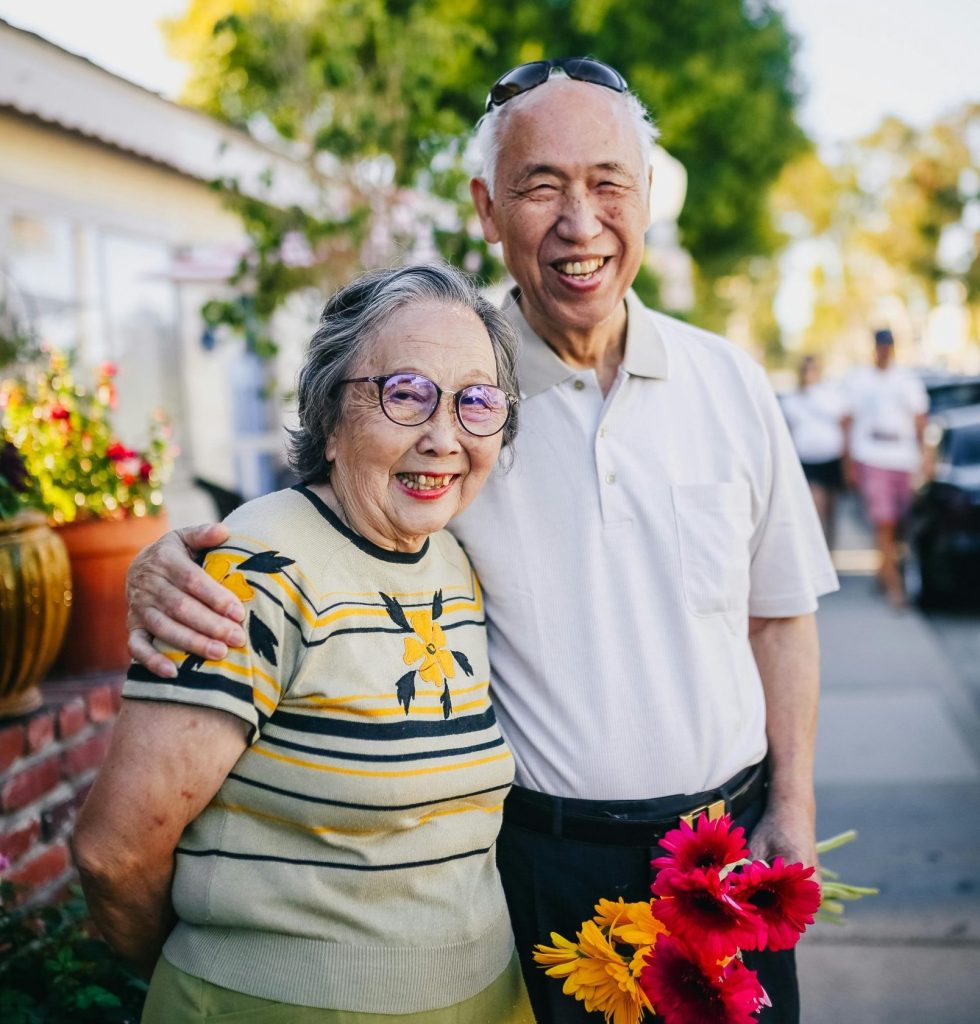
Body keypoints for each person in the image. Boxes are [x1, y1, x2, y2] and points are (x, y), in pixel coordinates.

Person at [123, 59, 838, 1024]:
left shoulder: (732, 383)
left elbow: (781, 613)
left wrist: (791, 807)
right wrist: (171, 559)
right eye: (541, 187)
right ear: (488, 210)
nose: (579, 223)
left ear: (648, 197)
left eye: (607, 183)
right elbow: (333, 512)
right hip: (540, 869)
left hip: (727, 850)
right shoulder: (456, 398)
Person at [72, 264, 534, 1023]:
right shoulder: (254, 568)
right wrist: (218, 972)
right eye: (406, 393)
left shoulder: (455, 560)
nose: (444, 437)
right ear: (329, 412)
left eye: (476, 401)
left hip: (488, 995)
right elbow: (113, 852)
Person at [843, 328, 928, 608]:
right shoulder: (860, 380)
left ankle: (884, 573)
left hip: (902, 457)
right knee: (885, 522)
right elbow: (848, 421)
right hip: (872, 455)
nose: (884, 350)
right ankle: (895, 588)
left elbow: (920, 420)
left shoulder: (906, 379)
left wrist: (924, 458)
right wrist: (850, 463)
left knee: (900, 523)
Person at [780, 355, 847, 546]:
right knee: (816, 507)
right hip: (808, 459)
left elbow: (844, 423)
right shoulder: (792, 400)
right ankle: (819, 549)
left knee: (831, 509)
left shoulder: (831, 395)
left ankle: (830, 549)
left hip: (831, 458)